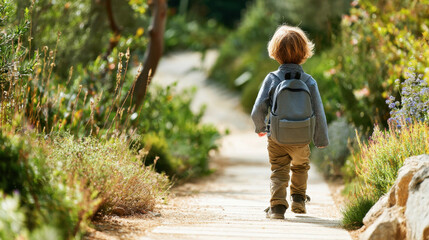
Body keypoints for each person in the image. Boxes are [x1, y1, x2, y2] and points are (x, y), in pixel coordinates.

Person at [251, 24, 329, 219]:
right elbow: (319, 112)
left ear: (275, 52)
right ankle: (298, 199)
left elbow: (257, 109)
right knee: (300, 167)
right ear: (304, 52)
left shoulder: (272, 79)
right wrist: (320, 139)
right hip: (302, 138)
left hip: (276, 137)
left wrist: (261, 127)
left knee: (278, 169)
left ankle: (277, 207)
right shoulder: (309, 81)